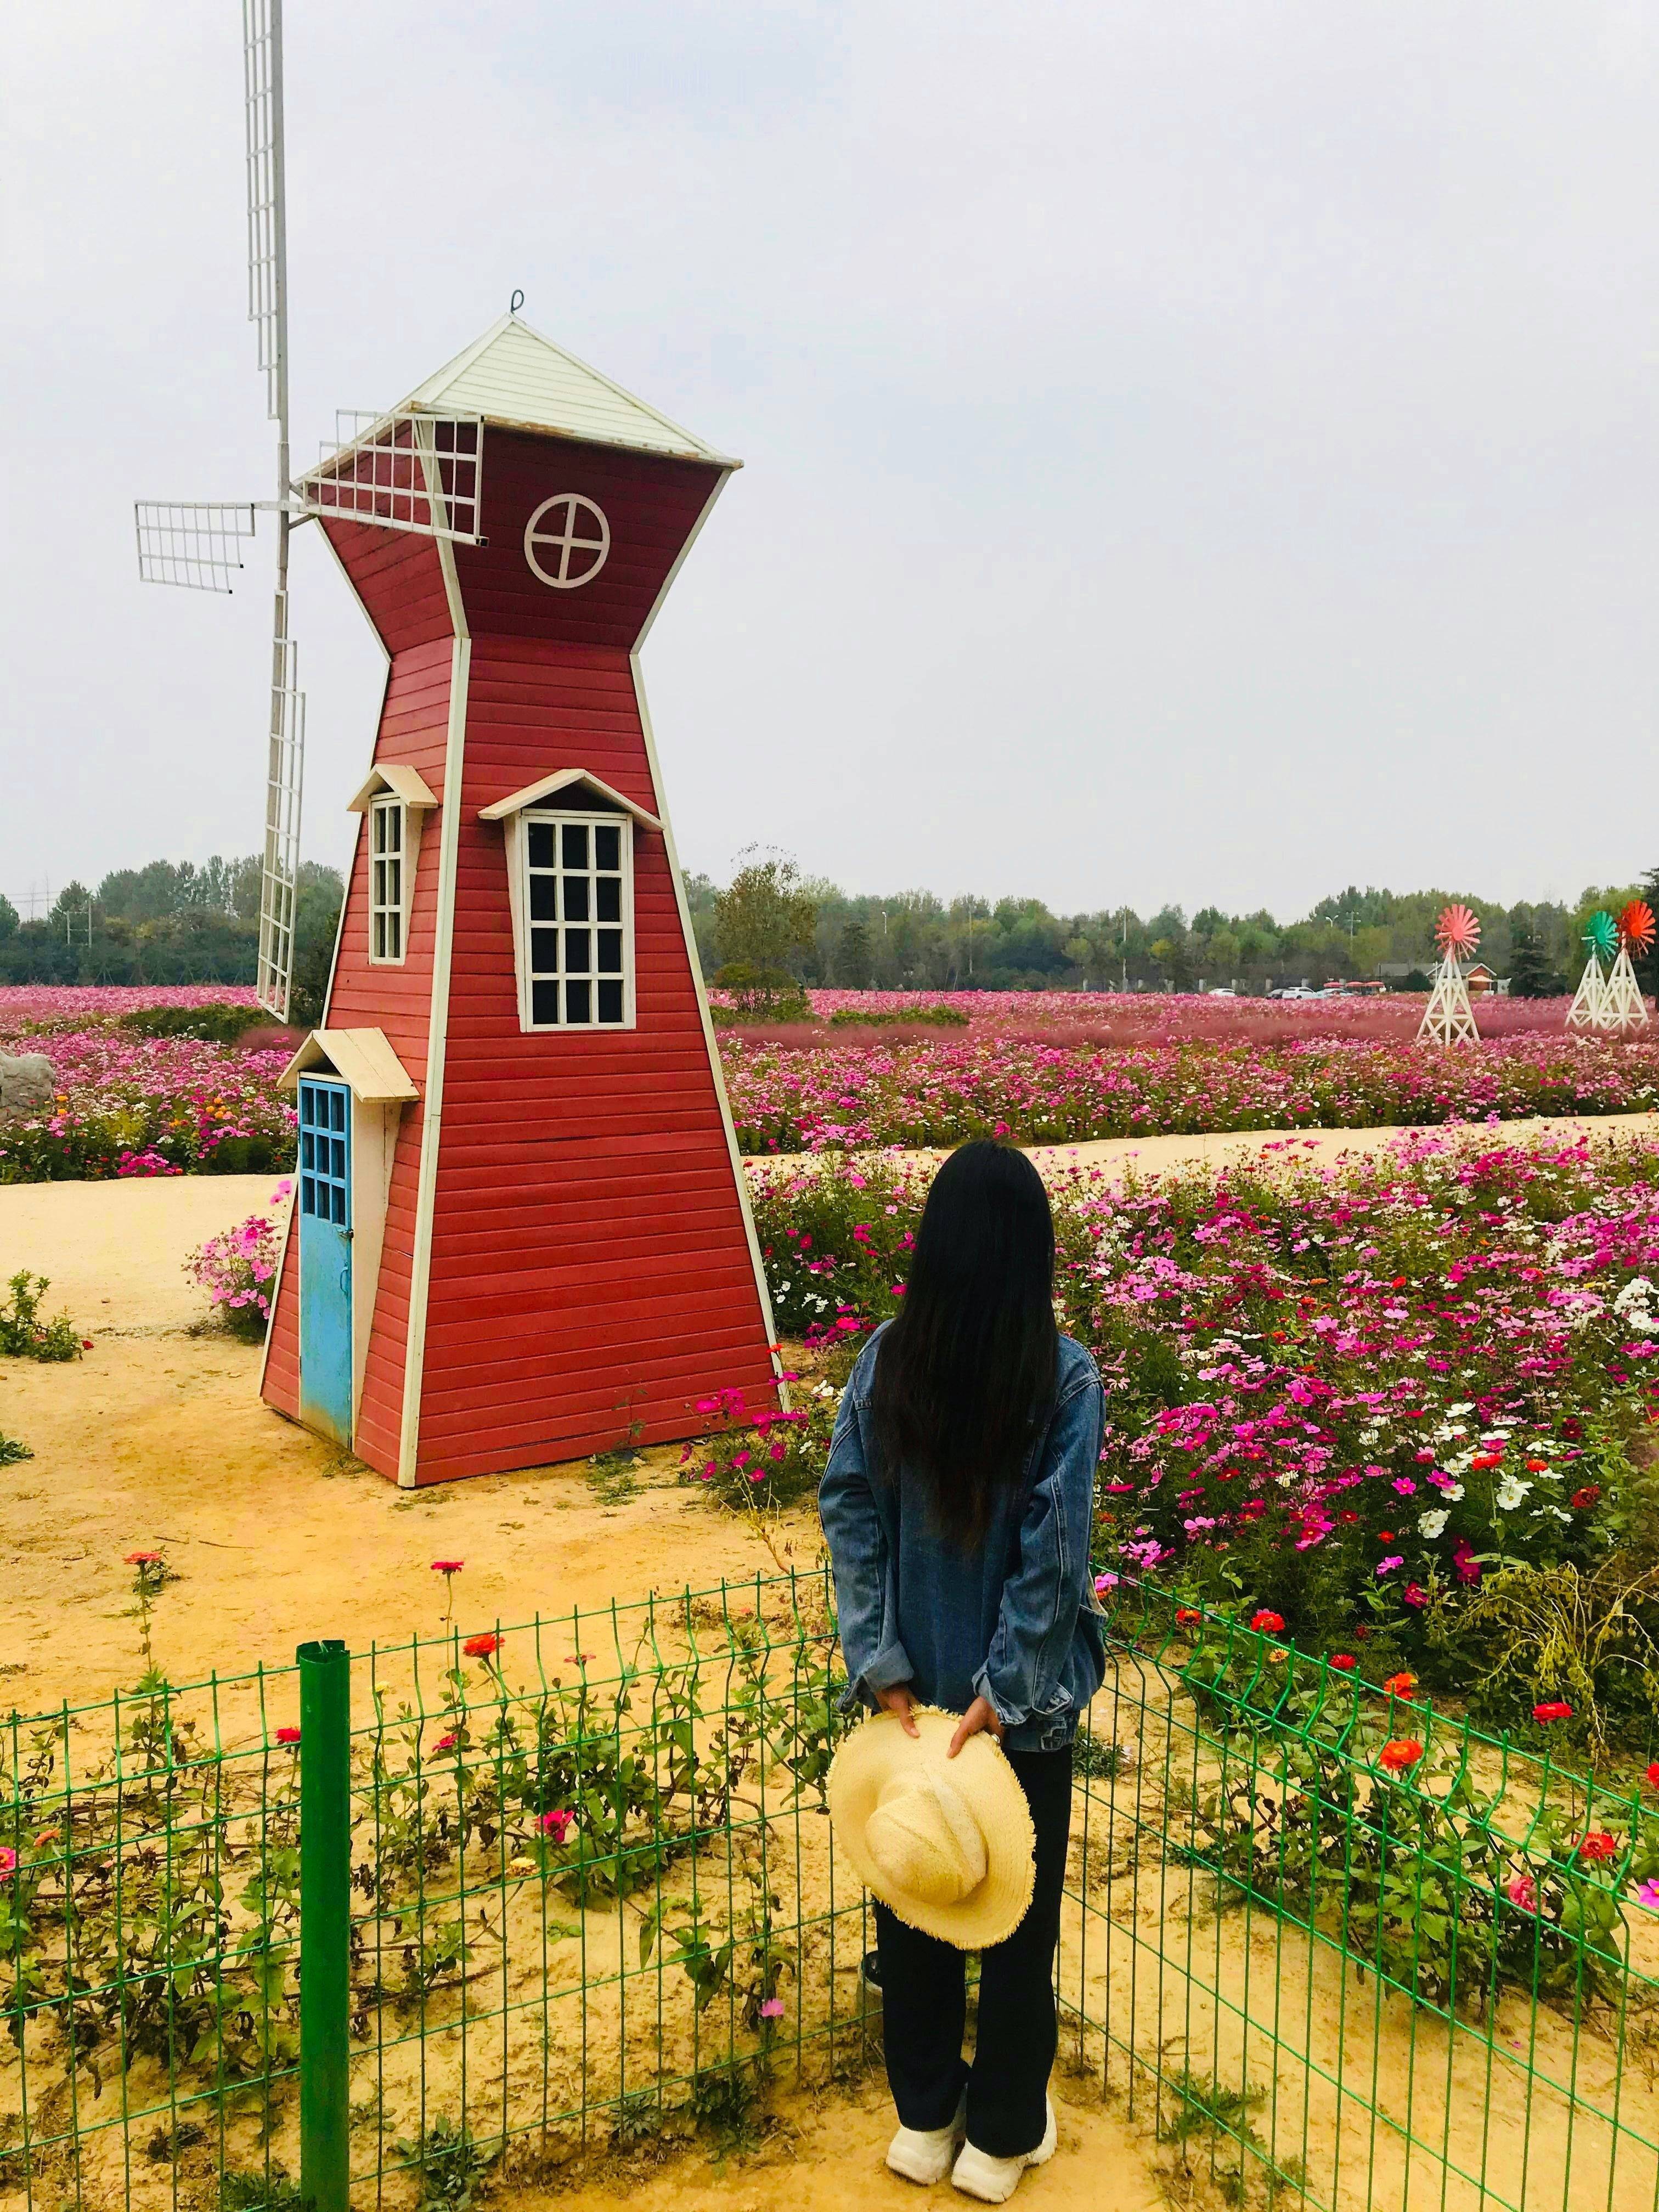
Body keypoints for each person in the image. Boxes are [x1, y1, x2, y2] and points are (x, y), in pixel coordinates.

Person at [819, 1140, 1106, 2203]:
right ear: (1033, 1252)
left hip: (908, 1701)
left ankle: (924, 2125)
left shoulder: (888, 1357)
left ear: (932, 1246)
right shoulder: (1063, 1372)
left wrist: (882, 1661)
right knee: (1017, 1930)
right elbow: (1053, 1550)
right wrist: (1007, 1687)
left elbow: (848, 1505)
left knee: (916, 1903)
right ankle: (1000, 2141)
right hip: (1012, 1714)